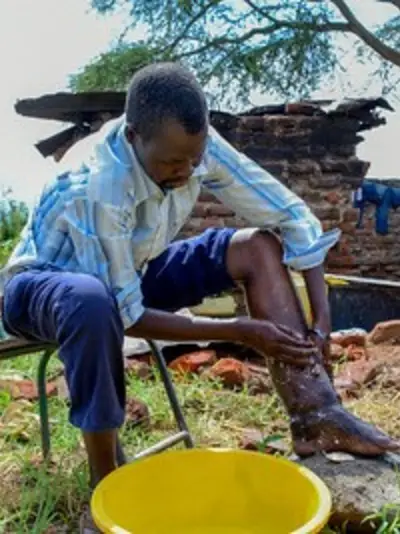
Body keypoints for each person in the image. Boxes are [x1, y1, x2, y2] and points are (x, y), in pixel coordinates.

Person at [1, 62, 398, 532]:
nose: (187, 170)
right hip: (42, 290)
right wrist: (240, 331)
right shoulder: (95, 187)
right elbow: (124, 313)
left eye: (194, 158)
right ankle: (104, 485)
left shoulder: (192, 145)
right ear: (133, 138)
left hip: (131, 273)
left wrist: (323, 317)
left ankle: (318, 415)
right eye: (173, 162)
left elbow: (290, 215)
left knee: (255, 245)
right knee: (93, 302)